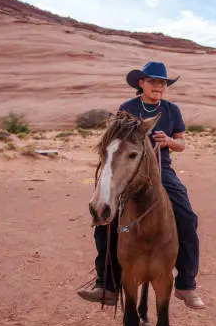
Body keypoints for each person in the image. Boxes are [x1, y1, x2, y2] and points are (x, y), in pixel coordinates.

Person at [77, 61, 205, 310]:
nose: (158, 86)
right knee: (104, 219)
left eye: (163, 82)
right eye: (153, 81)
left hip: (161, 169)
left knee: (188, 218)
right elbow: (114, 140)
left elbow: (182, 144)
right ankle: (107, 285)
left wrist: (168, 141)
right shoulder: (127, 108)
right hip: (129, 170)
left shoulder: (172, 110)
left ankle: (186, 284)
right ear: (141, 83)